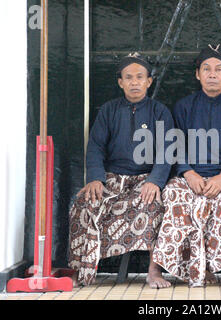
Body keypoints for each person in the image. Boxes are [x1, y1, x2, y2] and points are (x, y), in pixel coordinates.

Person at [68, 52, 174, 289]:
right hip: (112, 178)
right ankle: (79, 269)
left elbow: (168, 151)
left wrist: (155, 181)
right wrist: (96, 178)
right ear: (120, 82)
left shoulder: (160, 112)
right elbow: (95, 146)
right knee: (84, 203)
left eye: (140, 77)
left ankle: (154, 270)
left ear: (149, 81)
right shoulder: (109, 110)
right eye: (128, 77)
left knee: (154, 204)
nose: (134, 82)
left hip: (145, 178)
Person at [152, 44, 221, 287]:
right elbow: (175, 144)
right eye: (206, 69)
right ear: (198, 74)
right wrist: (188, 172)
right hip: (189, 176)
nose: (212, 74)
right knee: (174, 195)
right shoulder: (184, 106)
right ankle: (170, 269)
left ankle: (206, 267)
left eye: (219, 69)